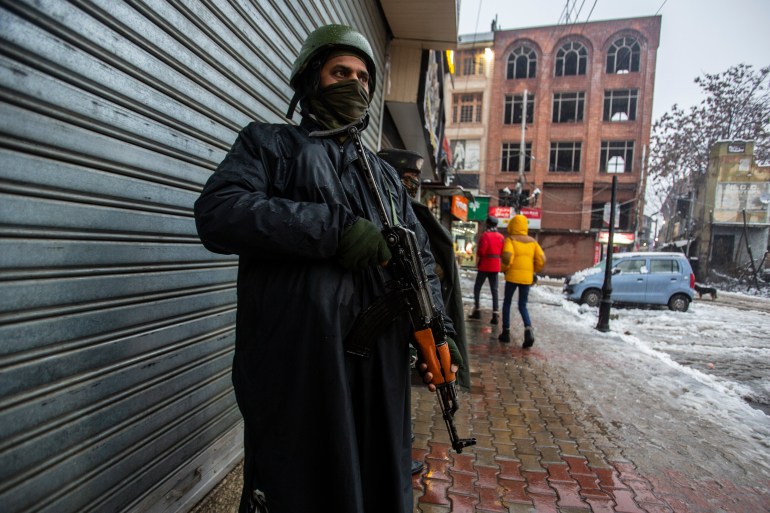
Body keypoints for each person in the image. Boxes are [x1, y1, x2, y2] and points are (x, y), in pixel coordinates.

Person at [194, 24, 461, 513]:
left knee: (374, 482)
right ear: (312, 77)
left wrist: (437, 332)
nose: (354, 84)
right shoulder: (270, 145)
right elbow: (219, 212)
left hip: (378, 370)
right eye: (341, 72)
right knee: (300, 486)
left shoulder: (382, 175)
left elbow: (420, 257)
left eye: (363, 77)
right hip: (300, 364)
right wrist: (335, 231)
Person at [377, 148, 470, 391]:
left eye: (416, 181)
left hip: (397, 328)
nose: (413, 186)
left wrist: (443, 332)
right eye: (408, 179)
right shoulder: (370, 203)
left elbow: (425, 267)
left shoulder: (412, 214)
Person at [498, 214, 546, 347]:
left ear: (512, 225)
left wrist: (504, 268)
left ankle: (506, 332)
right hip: (526, 278)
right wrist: (533, 270)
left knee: (507, 303)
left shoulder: (511, 240)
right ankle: (528, 330)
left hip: (512, 277)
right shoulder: (533, 242)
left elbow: (507, 257)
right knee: (522, 305)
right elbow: (542, 259)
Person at [469, 216, 505, 324]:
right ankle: (495, 314)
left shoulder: (485, 235)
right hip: (495, 266)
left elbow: (481, 252)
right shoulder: (501, 237)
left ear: (488, 224)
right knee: (494, 290)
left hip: (485, 265)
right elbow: (503, 251)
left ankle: (477, 310)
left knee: (477, 287)